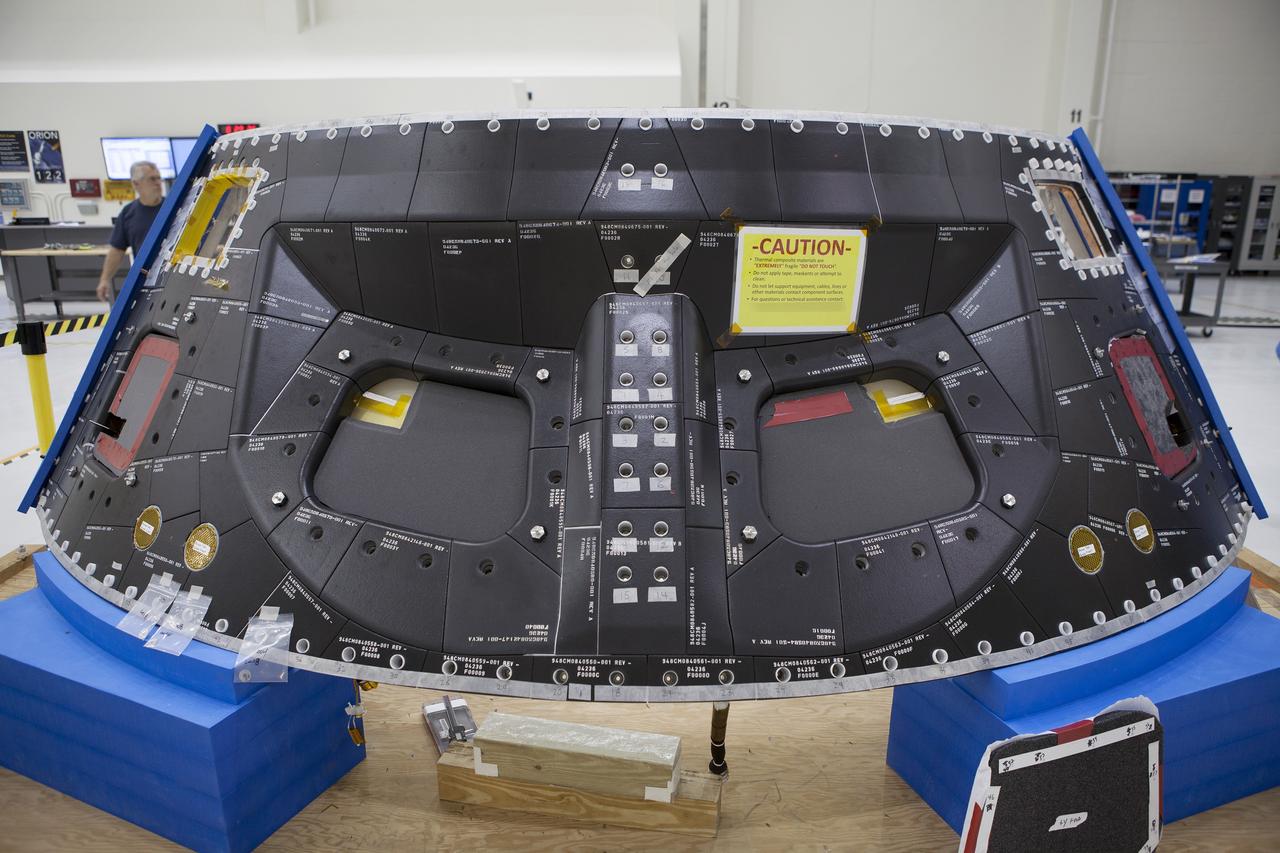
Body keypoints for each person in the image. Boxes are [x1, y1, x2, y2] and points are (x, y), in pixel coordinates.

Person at [96, 160, 164, 302]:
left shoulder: (176, 207)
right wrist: (104, 280)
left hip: (173, 277)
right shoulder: (128, 213)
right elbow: (117, 250)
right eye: (152, 179)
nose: (158, 183)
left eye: (158, 178)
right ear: (136, 184)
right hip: (145, 281)